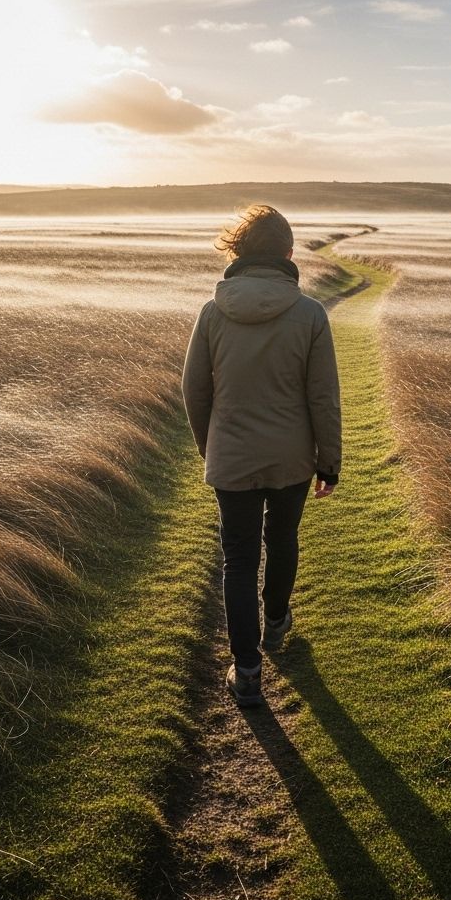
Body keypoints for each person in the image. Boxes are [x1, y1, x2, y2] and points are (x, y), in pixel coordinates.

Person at [181, 204, 342, 707]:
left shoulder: (212, 312)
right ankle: (275, 625)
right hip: (292, 457)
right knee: (283, 538)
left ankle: (247, 671)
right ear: (289, 254)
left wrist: (213, 448)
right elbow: (323, 397)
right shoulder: (310, 313)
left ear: (240, 252)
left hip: (232, 457)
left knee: (238, 559)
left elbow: (194, 391)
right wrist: (328, 461)